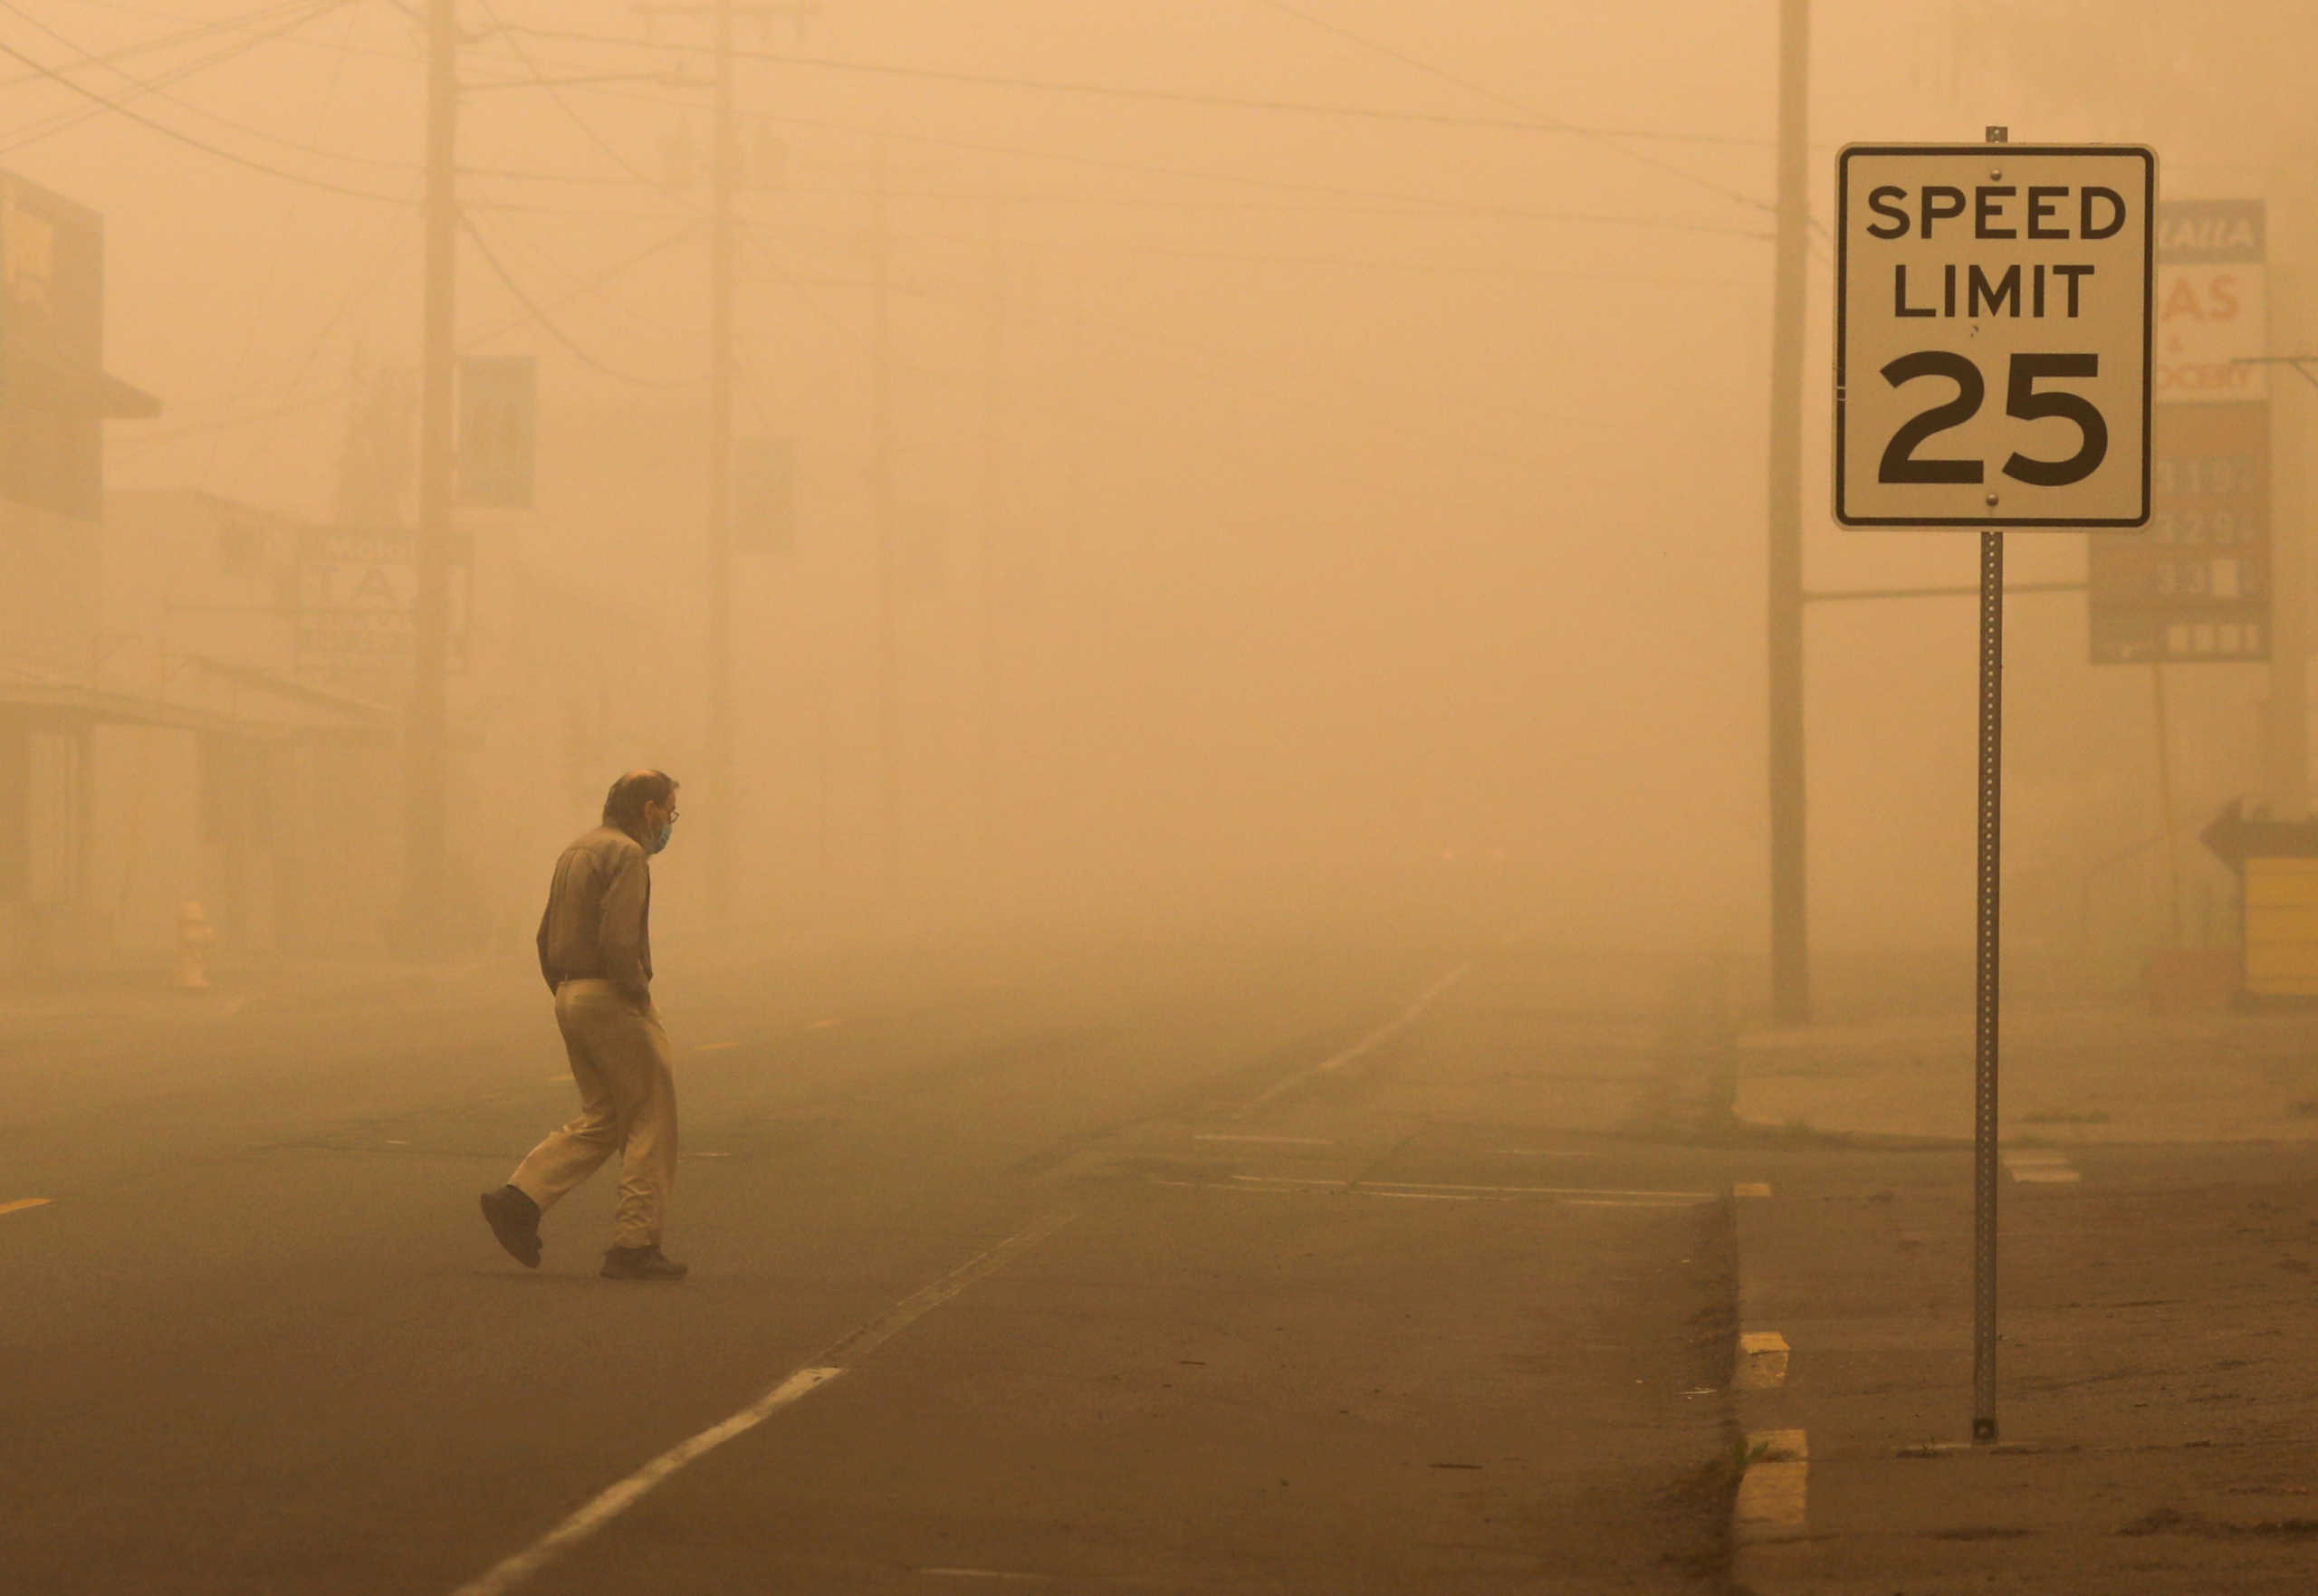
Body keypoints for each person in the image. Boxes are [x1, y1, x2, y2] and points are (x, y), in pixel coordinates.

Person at [479, 770, 687, 1281]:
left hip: (571, 993)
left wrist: (568, 993)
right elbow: (620, 942)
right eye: (669, 810)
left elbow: (543, 936)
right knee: (651, 1117)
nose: (669, 822)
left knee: (604, 1117)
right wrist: (635, 994)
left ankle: (519, 1199)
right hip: (611, 995)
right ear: (648, 811)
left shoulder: (577, 850)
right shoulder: (628, 855)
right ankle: (634, 1244)